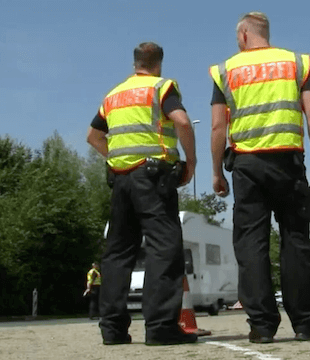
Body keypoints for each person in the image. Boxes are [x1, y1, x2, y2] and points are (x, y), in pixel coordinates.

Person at [209, 12, 310, 343]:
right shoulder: (295, 63)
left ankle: (262, 326)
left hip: (247, 166)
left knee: (251, 243)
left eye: (238, 36)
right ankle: (307, 324)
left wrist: (214, 172)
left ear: (244, 34)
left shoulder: (226, 70)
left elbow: (218, 127)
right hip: (288, 162)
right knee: (295, 239)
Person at [86, 42, 197, 346]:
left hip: (121, 181)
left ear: (135, 63)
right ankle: (161, 327)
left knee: (118, 252)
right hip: (153, 179)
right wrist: (191, 162)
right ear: (158, 63)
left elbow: (93, 136)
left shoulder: (113, 95)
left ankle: (112, 329)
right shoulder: (161, 87)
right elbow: (183, 122)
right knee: (164, 247)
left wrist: (116, 158)